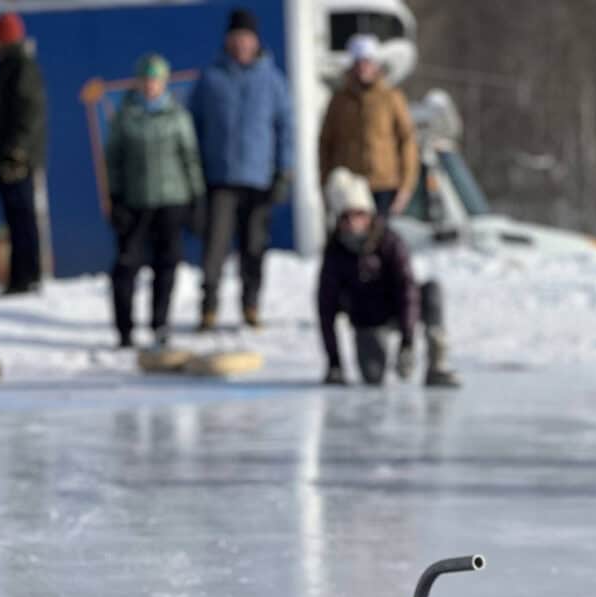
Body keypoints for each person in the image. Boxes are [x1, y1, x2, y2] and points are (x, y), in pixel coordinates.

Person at [190, 7, 293, 330]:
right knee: (215, 248)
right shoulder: (211, 79)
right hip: (220, 178)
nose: (241, 45)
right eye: (235, 38)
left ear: (255, 41)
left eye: (246, 39)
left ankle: (251, 304)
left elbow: (286, 128)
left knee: (253, 247)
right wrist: (196, 175)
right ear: (227, 40)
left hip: (259, 178)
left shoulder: (272, 80)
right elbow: (193, 127)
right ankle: (208, 308)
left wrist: (284, 170)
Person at [317, 168, 459, 388]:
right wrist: (334, 362)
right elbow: (326, 307)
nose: (353, 222)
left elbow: (407, 291)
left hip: (397, 309)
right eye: (346, 216)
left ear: (369, 214)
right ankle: (373, 352)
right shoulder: (335, 252)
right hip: (367, 320)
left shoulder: (390, 242)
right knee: (373, 376)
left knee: (431, 291)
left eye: (359, 214)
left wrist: (407, 342)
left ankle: (436, 365)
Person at [104, 53, 203, 348]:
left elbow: (190, 159)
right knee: (126, 267)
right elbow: (113, 161)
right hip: (135, 202)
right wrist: (116, 198)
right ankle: (124, 329)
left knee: (167, 264)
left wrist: (196, 198)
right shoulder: (125, 116)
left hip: (171, 200)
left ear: (164, 83)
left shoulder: (177, 116)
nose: (151, 86)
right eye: (146, 80)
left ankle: (160, 323)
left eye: (156, 80)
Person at [0, 12, 47, 296]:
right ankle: (20, 276)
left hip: (17, 159)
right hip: (6, 156)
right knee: (15, 217)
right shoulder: (9, 65)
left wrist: (18, 150)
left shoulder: (21, 66)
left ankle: (26, 277)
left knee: (22, 218)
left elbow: (29, 112)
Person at [319, 34, 418, 218]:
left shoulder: (391, 98)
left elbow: (407, 140)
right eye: (358, 62)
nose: (363, 68)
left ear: (376, 65)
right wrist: (325, 182)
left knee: (379, 239)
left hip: (384, 184)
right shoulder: (339, 100)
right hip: (350, 185)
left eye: (367, 62)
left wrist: (406, 185)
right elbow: (326, 142)